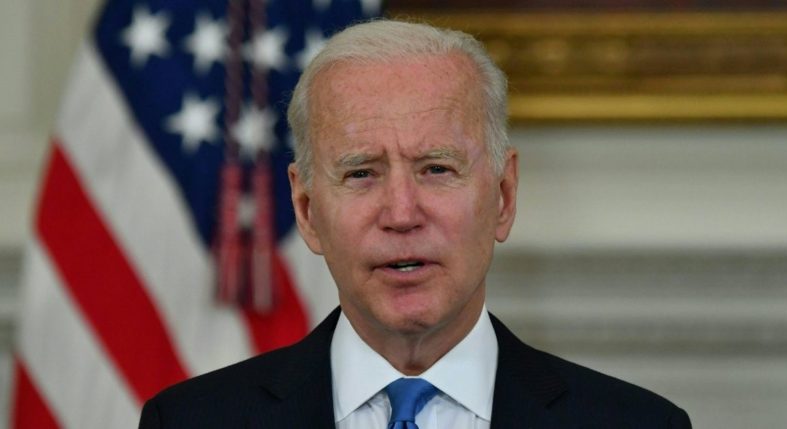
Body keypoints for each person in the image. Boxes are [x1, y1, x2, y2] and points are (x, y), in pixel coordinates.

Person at [139, 20, 692, 428]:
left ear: (502, 195)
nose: (401, 213)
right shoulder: (189, 422)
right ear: (307, 212)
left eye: (436, 169)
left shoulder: (638, 424)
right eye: (361, 173)